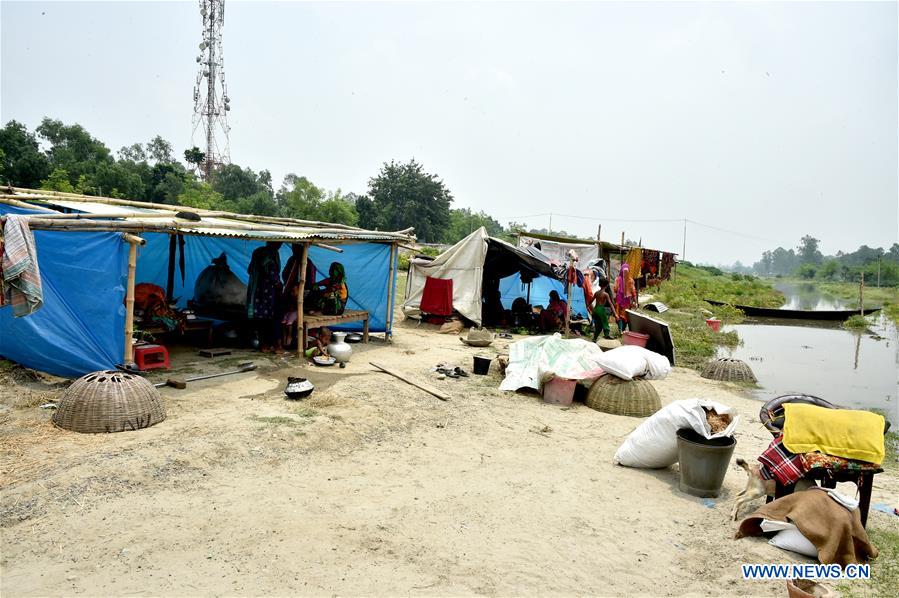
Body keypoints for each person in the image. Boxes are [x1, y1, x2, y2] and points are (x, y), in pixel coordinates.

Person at [247, 241, 283, 352]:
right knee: (273, 318)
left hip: (257, 291)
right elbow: (271, 272)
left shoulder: (258, 252)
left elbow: (250, 269)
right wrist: (279, 284)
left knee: (261, 319)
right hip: (269, 292)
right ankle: (276, 346)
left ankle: (264, 345)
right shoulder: (270, 254)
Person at [614, 263, 638, 333]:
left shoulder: (617, 279)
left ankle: (620, 329)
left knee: (618, 314)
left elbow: (615, 289)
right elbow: (634, 292)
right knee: (625, 315)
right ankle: (623, 329)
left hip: (618, 301)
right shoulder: (630, 280)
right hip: (627, 302)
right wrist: (636, 302)